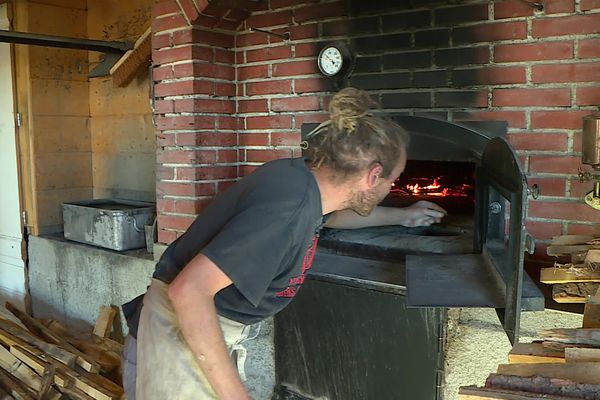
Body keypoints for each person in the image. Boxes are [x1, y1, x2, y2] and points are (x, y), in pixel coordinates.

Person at [121, 87, 446, 400]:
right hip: (183, 328)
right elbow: (189, 292)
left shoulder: (304, 184)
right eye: (394, 179)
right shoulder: (288, 212)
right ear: (373, 176)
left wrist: (403, 216)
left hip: (198, 327)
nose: (393, 186)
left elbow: (331, 217)